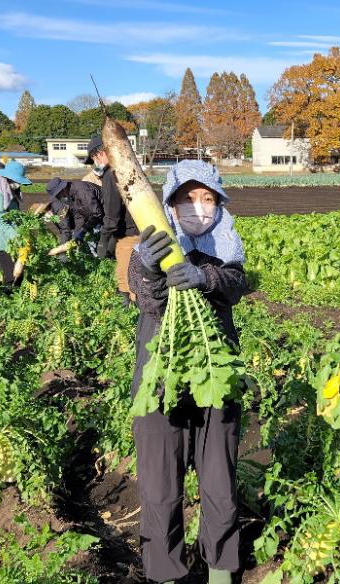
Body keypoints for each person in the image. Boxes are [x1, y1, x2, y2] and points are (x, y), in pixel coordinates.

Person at [127, 160, 247, 584]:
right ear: (170, 205)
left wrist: (205, 277)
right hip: (161, 380)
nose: (199, 207)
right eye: (188, 199)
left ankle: (219, 571)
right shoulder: (147, 250)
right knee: (160, 487)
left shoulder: (227, 248)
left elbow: (235, 284)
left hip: (216, 377)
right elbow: (145, 300)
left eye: (208, 199)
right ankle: (165, 573)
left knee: (219, 483)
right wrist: (145, 266)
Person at [83, 136, 139, 305]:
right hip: (141, 229)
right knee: (135, 277)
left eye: (93, 159)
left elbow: (112, 216)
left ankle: (133, 321)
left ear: (99, 154)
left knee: (126, 283)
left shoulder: (111, 174)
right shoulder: (128, 168)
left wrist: (104, 240)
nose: (95, 163)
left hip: (129, 235)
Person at [0, 160, 32, 291]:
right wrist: (16, 235)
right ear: (7, 178)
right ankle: (6, 302)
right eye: (16, 181)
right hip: (2, 241)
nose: (17, 185)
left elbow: (14, 214)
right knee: (11, 277)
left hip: (12, 241)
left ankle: (10, 298)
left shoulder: (9, 190)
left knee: (18, 275)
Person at [45, 177, 105, 256]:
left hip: (109, 214)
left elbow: (97, 213)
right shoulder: (70, 196)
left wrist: (83, 231)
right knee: (93, 242)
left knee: (104, 247)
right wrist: (77, 232)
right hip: (97, 218)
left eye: (58, 195)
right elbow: (79, 215)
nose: (58, 197)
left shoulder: (81, 191)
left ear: (62, 189)